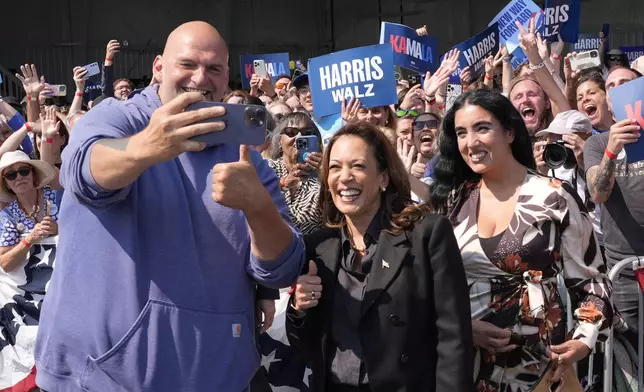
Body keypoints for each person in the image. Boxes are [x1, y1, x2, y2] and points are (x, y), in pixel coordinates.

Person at [34, 21, 305, 391]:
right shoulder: (119, 116)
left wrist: (258, 207)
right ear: (159, 67)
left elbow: (282, 268)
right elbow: (82, 170)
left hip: (221, 375)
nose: (200, 78)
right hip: (106, 378)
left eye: (214, 68)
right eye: (188, 64)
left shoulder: (247, 158)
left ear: (227, 77)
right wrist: (147, 147)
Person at [430, 90, 612, 391]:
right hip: (464, 367)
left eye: (482, 128)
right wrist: (465, 328)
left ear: (510, 132)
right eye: (461, 133)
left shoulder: (554, 196)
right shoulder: (451, 201)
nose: (471, 142)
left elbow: (593, 283)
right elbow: (431, 288)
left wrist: (582, 342)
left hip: (540, 369)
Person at [286, 122, 474, 392]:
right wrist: (299, 308)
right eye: (335, 167)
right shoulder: (318, 247)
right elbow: (306, 345)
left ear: (383, 178)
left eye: (358, 166)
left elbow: (453, 337)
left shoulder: (427, 235)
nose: (345, 177)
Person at [0, 150, 62, 390]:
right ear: (6, 184)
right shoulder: (6, 217)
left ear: (34, 173)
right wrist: (30, 239)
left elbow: (83, 228)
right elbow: (5, 263)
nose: (19, 177)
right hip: (32, 291)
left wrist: (59, 228)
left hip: (67, 280)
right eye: (11, 175)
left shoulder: (57, 197)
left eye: (24, 170)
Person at [584, 116, 643, 347]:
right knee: (630, 350)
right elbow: (597, 194)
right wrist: (611, 151)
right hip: (624, 272)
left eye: (625, 83)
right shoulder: (598, 143)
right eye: (612, 86)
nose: (619, 89)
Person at [267, 113, 323, 235]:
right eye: (291, 132)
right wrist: (284, 183)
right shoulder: (267, 168)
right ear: (279, 141)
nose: (299, 137)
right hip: (274, 244)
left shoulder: (324, 171)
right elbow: (255, 198)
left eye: (307, 132)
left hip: (316, 247)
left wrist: (325, 174)